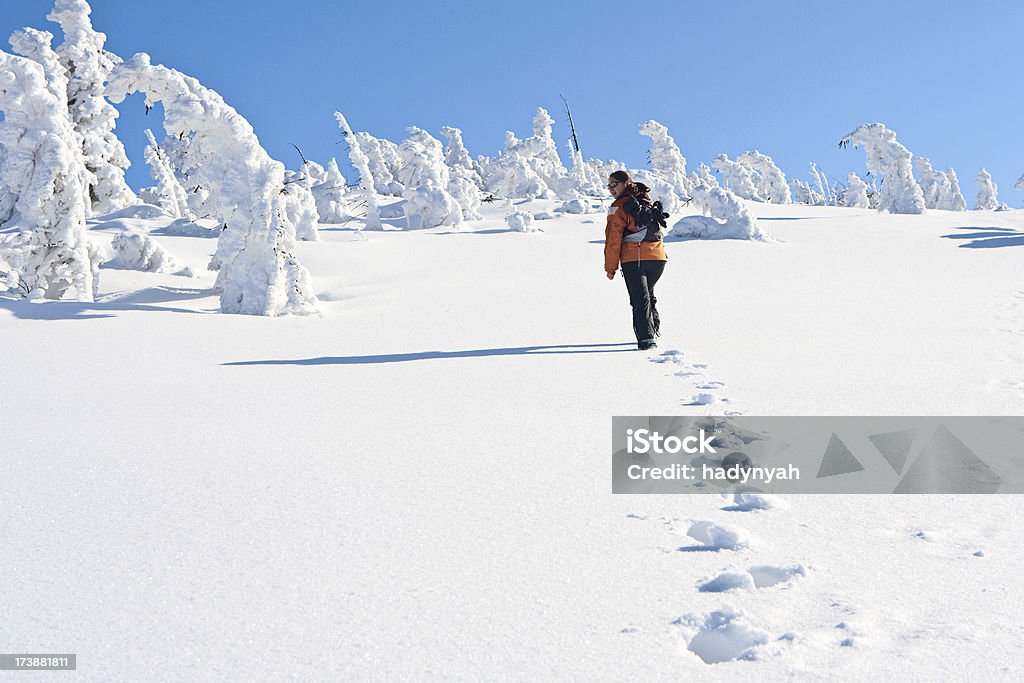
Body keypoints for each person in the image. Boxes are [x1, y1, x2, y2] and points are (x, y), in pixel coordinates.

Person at [604, 170, 667, 350]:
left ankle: (647, 341)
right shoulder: (645, 201)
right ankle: (653, 330)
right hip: (658, 259)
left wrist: (610, 267)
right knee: (648, 295)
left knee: (640, 299)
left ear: (626, 183)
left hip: (635, 258)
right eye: (608, 186)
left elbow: (613, 239)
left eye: (614, 184)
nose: (611, 189)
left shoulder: (618, 207)